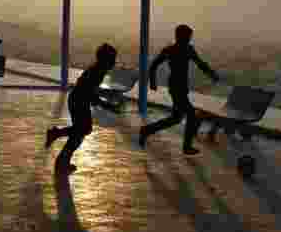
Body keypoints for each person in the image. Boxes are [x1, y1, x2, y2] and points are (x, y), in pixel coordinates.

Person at [138, 24, 220, 155]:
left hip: (180, 87)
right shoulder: (175, 50)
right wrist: (152, 82)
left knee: (175, 118)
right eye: (188, 37)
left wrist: (211, 74)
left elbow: (200, 64)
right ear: (180, 36)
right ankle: (186, 146)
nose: (189, 39)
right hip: (176, 87)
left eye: (189, 37)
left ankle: (146, 130)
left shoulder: (182, 49)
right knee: (191, 115)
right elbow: (154, 64)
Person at [44, 43, 121, 174]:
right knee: (81, 131)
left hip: (78, 100)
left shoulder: (97, 69)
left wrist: (105, 100)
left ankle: (59, 147)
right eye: (113, 59)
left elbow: (90, 91)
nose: (114, 62)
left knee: (81, 131)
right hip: (79, 102)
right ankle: (60, 157)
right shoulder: (97, 72)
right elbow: (89, 93)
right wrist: (107, 105)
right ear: (106, 60)